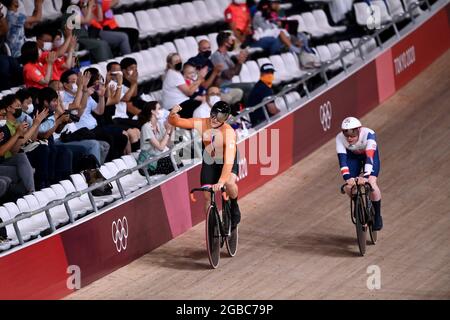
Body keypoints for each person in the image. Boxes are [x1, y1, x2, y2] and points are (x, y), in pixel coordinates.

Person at [168, 101, 241, 229]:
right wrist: (173, 114)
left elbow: (228, 161)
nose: (215, 120)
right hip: (210, 159)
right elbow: (178, 122)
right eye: (213, 115)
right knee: (207, 195)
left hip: (227, 158)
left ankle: (234, 205)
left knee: (229, 183)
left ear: (226, 119)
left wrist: (221, 181)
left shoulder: (228, 133)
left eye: (220, 118)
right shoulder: (202, 123)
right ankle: (212, 229)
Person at [336, 117, 383, 231]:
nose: (350, 138)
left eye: (353, 135)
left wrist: (366, 177)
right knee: (349, 187)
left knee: (371, 183)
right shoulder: (339, 138)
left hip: (368, 157)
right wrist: (347, 178)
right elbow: (343, 160)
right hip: (352, 158)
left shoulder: (369, 134)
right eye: (347, 135)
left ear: (359, 131)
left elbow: (370, 158)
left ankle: (377, 215)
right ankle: (358, 204)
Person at [137, 101, 175, 176]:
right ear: (152, 111)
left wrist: (172, 128)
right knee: (172, 163)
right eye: (159, 108)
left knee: (177, 161)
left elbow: (169, 144)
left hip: (157, 160)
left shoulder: (159, 124)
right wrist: (167, 131)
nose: (161, 111)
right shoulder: (146, 127)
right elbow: (160, 147)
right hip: (147, 165)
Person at [246, 63, 279, 127]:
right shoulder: (265, 89)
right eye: (267, 72)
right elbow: (272, 110)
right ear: (261, 74)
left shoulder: (259, 85)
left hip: (258, 121)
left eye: (271, 72)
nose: (270, 75)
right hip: (262, 123)